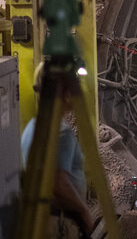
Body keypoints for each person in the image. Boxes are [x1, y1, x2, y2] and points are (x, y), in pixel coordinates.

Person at [20, 73, 95, 238]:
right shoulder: (61, 133)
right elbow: (58, 184)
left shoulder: (32, 128)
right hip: (59, 224)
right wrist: (84, 213)